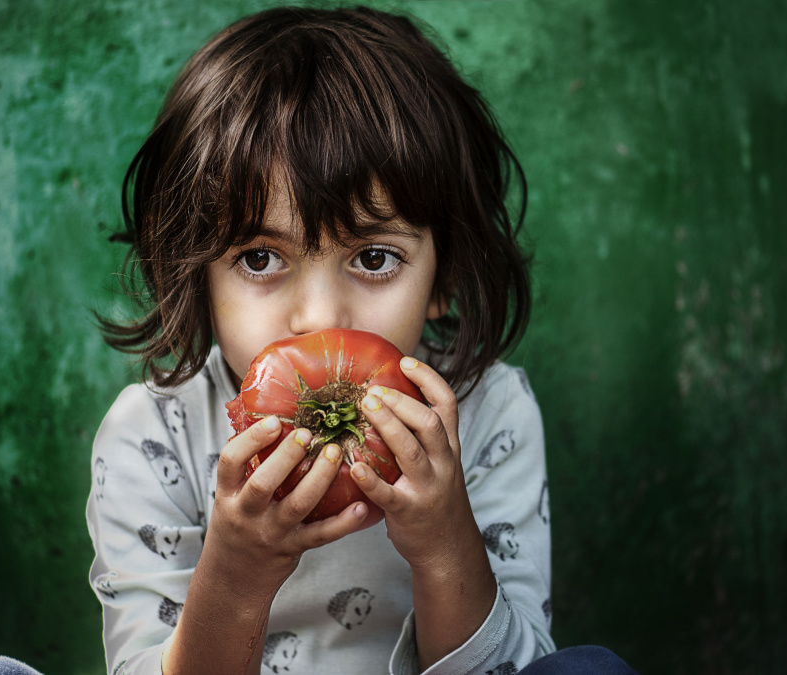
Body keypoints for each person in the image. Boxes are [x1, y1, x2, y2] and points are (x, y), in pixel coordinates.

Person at [86, 6, 635, 675]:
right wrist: (234, 574)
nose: (320, 318)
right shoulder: (151, 436)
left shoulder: (486, 413)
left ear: (444, 275)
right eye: (260, 258)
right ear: (198, 272)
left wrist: (443, 541)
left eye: (374, 258)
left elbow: (518, 668)